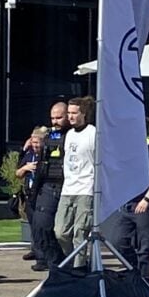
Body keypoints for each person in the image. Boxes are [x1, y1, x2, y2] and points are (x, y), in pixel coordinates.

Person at [103, 117, 149, 282]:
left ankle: (144, 277)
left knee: (144, 244)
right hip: (126, 202)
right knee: (117, 240)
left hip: (144, 202)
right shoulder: (127, 148)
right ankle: (132, 269)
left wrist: (146, 199)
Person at [54, 96, 96, 267]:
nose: (70, 117)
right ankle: (71, 260)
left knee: (80, 232)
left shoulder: (93, 133)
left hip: (86, 189)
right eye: (68, 113)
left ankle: (79, 269)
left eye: (74, 113)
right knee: (60, 232)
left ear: (84, 113)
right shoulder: (69, 135)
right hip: (68, 188)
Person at [31, 101, 71, 270]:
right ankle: (53, 262)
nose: (55, 121)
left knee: (62, 231)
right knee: (40, 226)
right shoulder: (48, 137)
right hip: (46, 185)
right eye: (52, 118)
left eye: (59, 117)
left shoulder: (75, 135)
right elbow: (41, 161)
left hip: (67, 186)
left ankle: (68, 264)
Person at [16, 126, 48, 269]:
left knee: (40, 226)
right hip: (29, 194)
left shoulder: (47, 155)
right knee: (33, 225)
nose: (35, 146)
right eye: (33, 142)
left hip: (42, 194)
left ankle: (42, 258)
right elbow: (17, 173)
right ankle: (36, 250)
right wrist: (25, 168)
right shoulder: (29, 154)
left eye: (38, 143)